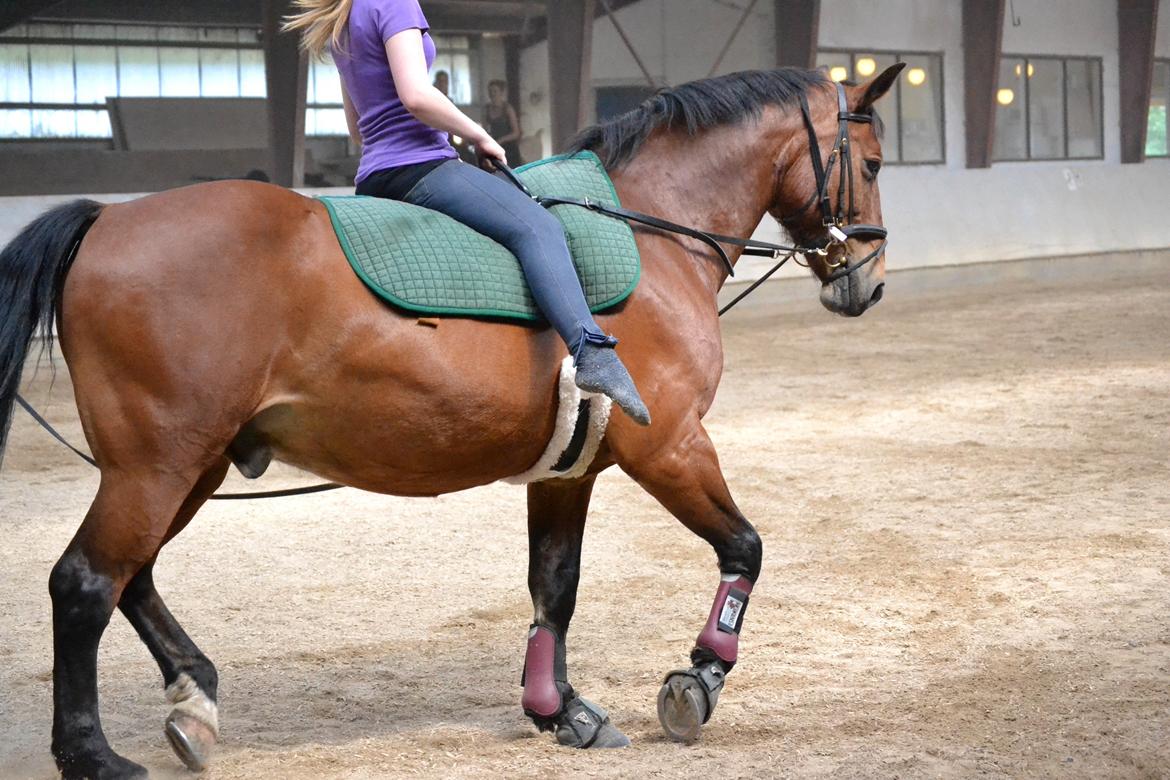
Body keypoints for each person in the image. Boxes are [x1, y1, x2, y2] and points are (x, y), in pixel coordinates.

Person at [284, 0, 649, 425]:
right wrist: (479, 134)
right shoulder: (394, 3)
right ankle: (591, 352)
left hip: (373, 176)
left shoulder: (342, 20)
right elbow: (417, 95)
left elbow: (356, 126)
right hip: (420, 165)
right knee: (538, 227)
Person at [483, 79, 522, 167]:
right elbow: (484, 129)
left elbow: (516, 133)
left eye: (495, 91)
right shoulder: (486, 109)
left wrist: (501, 140)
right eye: (490, 91)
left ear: (501, 92)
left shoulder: (508, 109)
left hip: (509, 148)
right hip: (494, 146)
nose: (492, 93)